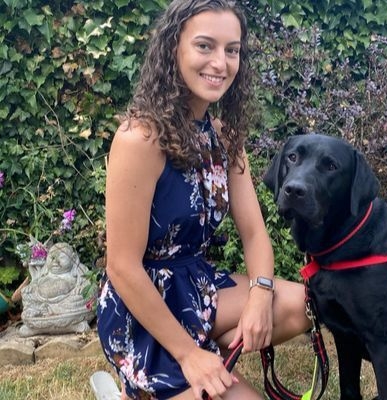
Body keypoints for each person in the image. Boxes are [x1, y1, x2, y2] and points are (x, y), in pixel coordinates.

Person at [96, 1, 311, 399]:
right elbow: (122, 267)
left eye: (232, 50)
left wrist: (261, 294)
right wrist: (189, 355)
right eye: (205, 46)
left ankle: (204, 359)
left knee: (301, 303)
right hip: (141, 307)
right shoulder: (139, 139)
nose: (221, 62)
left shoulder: (224, 137)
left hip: (196, 286)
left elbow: (253, 232)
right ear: (173, 48)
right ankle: (157, 379)